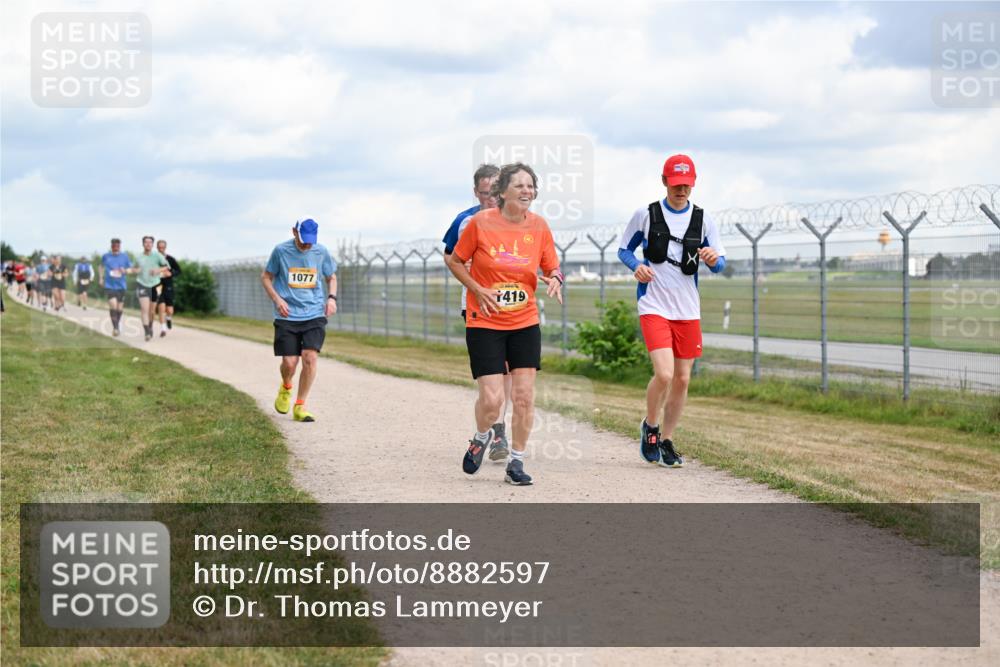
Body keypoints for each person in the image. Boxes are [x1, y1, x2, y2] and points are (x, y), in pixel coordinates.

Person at [447, 162, 563, 486]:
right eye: (520, 186)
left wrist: (556, 279)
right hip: (484, 320)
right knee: (493, 399)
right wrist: (477, 288)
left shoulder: (539, 226)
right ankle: (482, 434)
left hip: (524, 320)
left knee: (524, 396)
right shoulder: (480, 223)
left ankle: (516, 461)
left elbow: (552, 266)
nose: (527, 191)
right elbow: (455, 261)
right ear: (502, 193)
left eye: (531, 186)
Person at [617, 154, 726, 468]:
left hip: (687, 308)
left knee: (682, 379)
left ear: (693, 184)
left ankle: (666, 440)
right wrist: (636, 266)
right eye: (676, 185)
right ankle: (650, 426)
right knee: (664, 374)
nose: (682, 191)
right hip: (654, 304)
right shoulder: (646, 214)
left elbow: (720, 264)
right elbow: (624, 249)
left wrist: (711, 259)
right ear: (665, 182)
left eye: (687, 185)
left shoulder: (704, 219)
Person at [441, 164, 512, 462]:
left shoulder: (517, 218)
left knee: (507, 373)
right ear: (476, 192)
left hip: (512, 307)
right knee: (491, 379)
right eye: (484, 194)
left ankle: (499, 431)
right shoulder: (465, 220)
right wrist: (470, 274)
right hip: (477, 306)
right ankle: (489, 430)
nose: (490, 200)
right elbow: (449, 255)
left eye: (494, 193)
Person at [261, 219, 337, 423]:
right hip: (287, 315)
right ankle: (286, 386)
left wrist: (331, 298)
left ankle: (300, 406)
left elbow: (331, 277)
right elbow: (266, 277)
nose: (307, 245)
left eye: (311, 242)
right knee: (289, 362)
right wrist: (277, 300)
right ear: (294, 232)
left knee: (310, 357)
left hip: (314, 313)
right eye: (303, 241)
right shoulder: (281, 251)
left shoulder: (321, 252)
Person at [133, 235, 169, 341]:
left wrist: (158, 270)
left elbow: (166, 266)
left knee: (152, 311)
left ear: (152, 244)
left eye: (150, 242)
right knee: (144, 309)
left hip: (156, 285)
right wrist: (135, 270)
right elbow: (135, 268)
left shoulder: (157, 255)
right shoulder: (138, 257)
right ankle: (147, 332)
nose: (148, 244)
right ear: (143, 244)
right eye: (146, 242)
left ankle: (150, 325)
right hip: (142, 284)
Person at [99, 238, 132, 336]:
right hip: (109, 285)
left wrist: (125, 271)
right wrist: (101, 278)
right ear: (111, 246)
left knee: (119, 308)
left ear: (120, 246)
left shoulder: (125, 257)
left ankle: (118, 322)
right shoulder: (106, 256)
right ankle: (116, 328)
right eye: (114, 245)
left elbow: (130, 269)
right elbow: (101, 266)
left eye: (117, 245)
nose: (116, 247)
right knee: (113, 305)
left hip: (121, 286)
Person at [154, 239, 182, 336]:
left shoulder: (170, 259)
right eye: (159, 247)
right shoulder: (153, 259)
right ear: (157, 247)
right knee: (161, 307)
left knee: (169, 310)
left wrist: (171, 273)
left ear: (165, 247)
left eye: (163, 247)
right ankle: (163, 329)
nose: (161, 249)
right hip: (158, 286)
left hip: (168, 286)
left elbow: (178, 271)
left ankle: (168, 318)